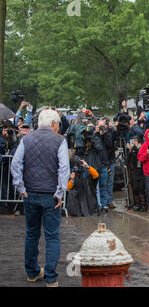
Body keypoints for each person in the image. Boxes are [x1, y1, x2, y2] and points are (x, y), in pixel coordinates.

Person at [10, 109, 70, 287]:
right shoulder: (60, 140)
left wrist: (20, 186)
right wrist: (60, 192)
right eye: (58, 123)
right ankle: (50, 278)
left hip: (30, 192)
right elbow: (64, 169)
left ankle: (32, 272)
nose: (59, 126)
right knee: (52, 236)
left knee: (31, 234)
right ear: (53, 124)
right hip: (50, 194)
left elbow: (15, 163)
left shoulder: (26, 139)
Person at [127, 135, 146, 211]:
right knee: (135, 188)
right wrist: (130, 151)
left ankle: (143, 204)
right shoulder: (133, 149)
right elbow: (128, 160)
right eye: (133, 141)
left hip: (142, 171)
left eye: (135, 140)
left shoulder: (142, 148)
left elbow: (139, 158)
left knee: (141, 188)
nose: (134, 142)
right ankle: (137, 204)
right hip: (135, 171)